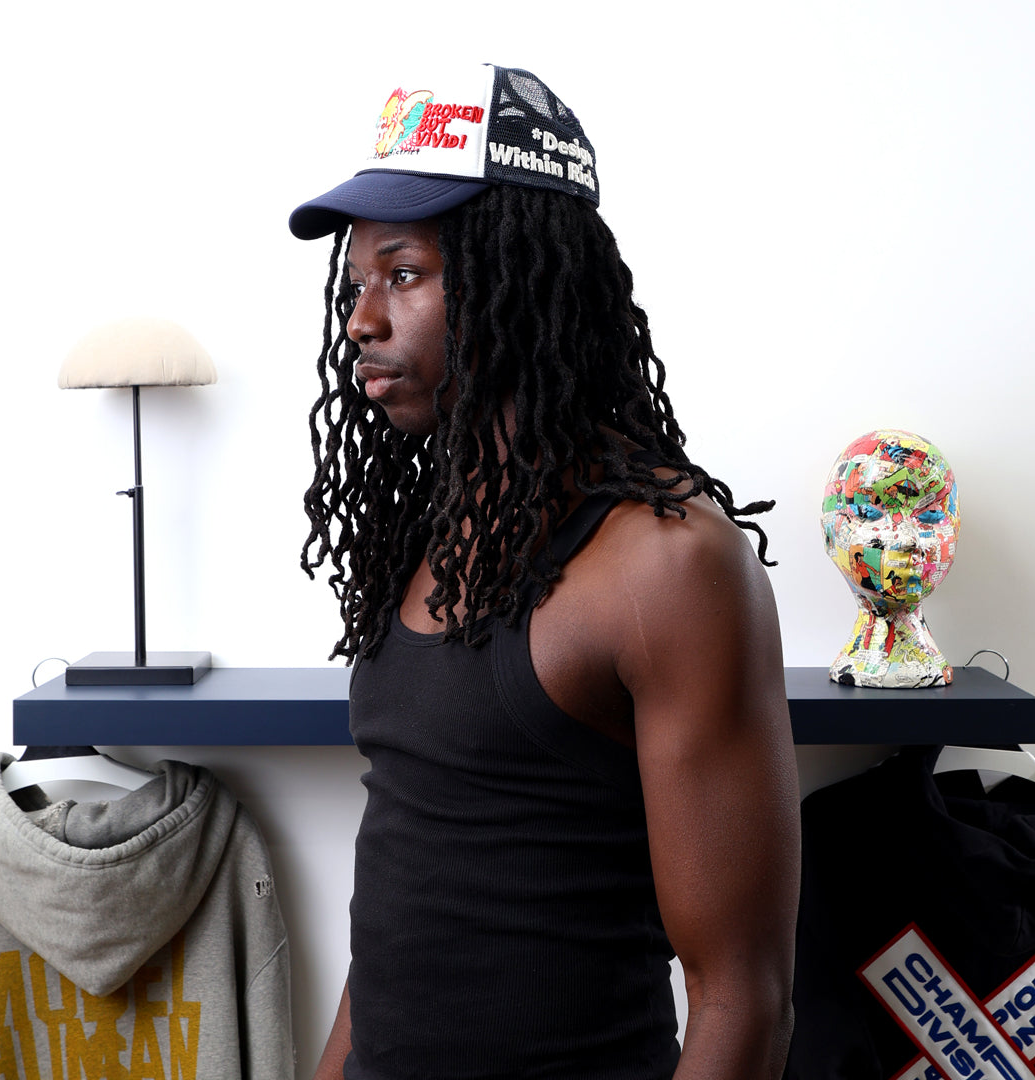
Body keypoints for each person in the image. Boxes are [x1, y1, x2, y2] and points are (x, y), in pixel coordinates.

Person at [290, 63, 800, 1080]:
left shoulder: (668, 564)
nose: (362, 321)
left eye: (404, 273)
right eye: (356, 286)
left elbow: (743, 995)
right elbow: (406, 918)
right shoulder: (426, 535)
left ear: (526, 277)